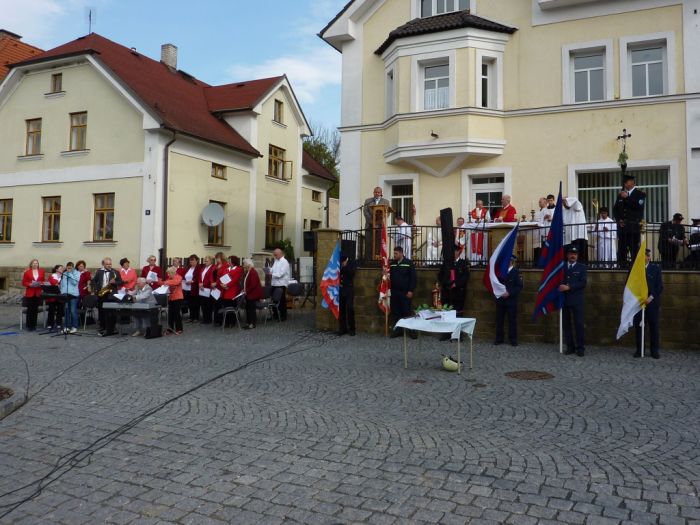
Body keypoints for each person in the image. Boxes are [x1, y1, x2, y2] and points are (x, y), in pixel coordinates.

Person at [633, 248, 663, 359]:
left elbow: (659, 287)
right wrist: (638, 298)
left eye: (648, 255)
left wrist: (650, 298)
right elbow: (629, 285)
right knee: (639, 327)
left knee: (654, 327)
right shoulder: (635, 269)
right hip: (639, 303)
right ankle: (639, 349)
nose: (648, 257)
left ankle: (654, 350)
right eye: (646, 255)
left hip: (652, 303)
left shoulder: (655, 269)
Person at [559, 246, 588, 356]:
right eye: (571, 254)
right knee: (566, 324)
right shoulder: (561, 266)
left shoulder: (582, 267)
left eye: (575, 254)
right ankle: (570, 347)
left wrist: (569, 287)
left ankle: (580, 348)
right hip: (564, 299)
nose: (573, 256)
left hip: (577, 300)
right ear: (567, 255)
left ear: (577, 256)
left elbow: (583, 283)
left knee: (579, 324)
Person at [613, 173, 646, 267]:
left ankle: (634, 270)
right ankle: (621, 269)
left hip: (633, 229)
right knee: (621, 252)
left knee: (634, 251)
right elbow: (615, 209)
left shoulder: (640, 194)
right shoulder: (621, 195)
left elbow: (639, 207)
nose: (624, 184)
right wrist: (619, 220)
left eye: (626, 182)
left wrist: (627, 198)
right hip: (623, 229)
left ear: (632, 182)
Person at [494, 255, 523, 347]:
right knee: (499, 320)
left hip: (511, 300)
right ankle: (499, 338)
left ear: (512, 262)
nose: (506, 262)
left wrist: (509, 293)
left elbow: (519, 286)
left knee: (512, 320)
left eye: (508, 261)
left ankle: (513, 339)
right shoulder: (501, 272)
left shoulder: (516, 272)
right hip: (501, 300)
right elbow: (496, 284)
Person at [389, 246, 417, 339]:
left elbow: (413, 278)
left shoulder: (408, 263)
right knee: (396, 312)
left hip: (405, 292)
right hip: (395, 292)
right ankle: (398, 330)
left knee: (406, 312)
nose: (394, 255)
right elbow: (389, 277)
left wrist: (411, 290)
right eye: (394, 253)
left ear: (401, 253)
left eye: (396, 253)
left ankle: (411, 331)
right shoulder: (392, 264)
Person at [92, 257, 123, 336]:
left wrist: (115, 282)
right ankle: (102, 327)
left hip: (111, 295)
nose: (109, 265)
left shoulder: (115, 272)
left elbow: (121, 282)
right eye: (107, 264)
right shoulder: (99, 271)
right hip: (102, 294)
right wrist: (96, 290)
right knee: (101, 312)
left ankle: (112, 328)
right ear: (103, 264)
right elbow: (94, 281)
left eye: (110, 264)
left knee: (111, 312)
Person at [438, 246, 470, 315]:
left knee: (457, 314)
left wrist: (456, 284)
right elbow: (440, 275)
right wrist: (446, 283)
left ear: (458, 252)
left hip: (458, 293)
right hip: (447, 293)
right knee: (446, 313)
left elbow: (465, 276)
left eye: (454, 251)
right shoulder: (446, 263)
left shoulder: (463, 263)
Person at [363, 186, 391, 258]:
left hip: (380, 226)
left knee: (378, 243)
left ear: (381, 193)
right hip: (369, 226)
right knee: (368, 243)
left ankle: (378, 258)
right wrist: (372, 222)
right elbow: (365, 212)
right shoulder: (368, 201)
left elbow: (387, 213)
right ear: (373, 193)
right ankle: (368, 259)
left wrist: (379, 222)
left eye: (378, 192)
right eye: (375, 192)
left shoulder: (386, 202)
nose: (377, 193)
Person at [216, 255, 244, 327]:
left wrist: (227, 285)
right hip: (225, 290)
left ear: (233, 261)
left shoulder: (238, 269)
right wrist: (222, 284)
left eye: (229, 260)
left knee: (231, 306)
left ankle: (232, 322)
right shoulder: (226, 269)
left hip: (232, 290)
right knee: (226, 306)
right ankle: (226, 321)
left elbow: (235, 279)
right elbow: (221, 277)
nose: (228, 261)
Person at [22, 259, 45, 332]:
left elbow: (43, 280)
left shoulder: (41, 271)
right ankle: (29, 325)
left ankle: (34, 325)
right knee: (30, 310)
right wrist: (29, 284)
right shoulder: (27, 272)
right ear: (31, 264)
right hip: (30, 292)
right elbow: (24, 282)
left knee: (35, 310)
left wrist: (40, 283)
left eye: (37, 263)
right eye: (34, 263)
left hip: (38, 292)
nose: (35, 264)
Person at [562, 197, 588, 263]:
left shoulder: (576, 205)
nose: (563, 204)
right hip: (570, 235)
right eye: (563, 203)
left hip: (579, 234)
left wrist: (565, 199)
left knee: (581, 252)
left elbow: (575, 200)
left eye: (564, 202)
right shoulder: (564, 210)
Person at [160, 266, 184, 334]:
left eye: (169, 273)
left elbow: (176, 282)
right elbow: (165, 283)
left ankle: (179, 328)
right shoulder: (169, 278)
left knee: (177, 313)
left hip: (178, 298)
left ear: (173, 272)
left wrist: (166, 282)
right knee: (170, 314)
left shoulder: (179, 277)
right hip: (171, 297)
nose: (168, 275)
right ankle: (170, 328)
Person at [338, 254, 356, 336]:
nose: (341, 263)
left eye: (342, 261)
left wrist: (344, 267)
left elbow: (351, 273)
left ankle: (352, 328)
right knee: (341, 309)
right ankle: (343, 328)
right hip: (341, 289)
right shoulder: (339, 264)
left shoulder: (352, 263)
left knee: (349, 308)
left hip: (348, 289)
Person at [270, 248, 291, 321]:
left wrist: (272, 274)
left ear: (280, 253)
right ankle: (275, 314)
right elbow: (272, 269)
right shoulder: (276, 261)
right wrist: (269, 270)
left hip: (281, 284)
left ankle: (283, 315)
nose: (274, 255)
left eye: (276, 254)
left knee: (281, 301)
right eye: (274, 254)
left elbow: (281, 274)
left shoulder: (284, 262)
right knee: (273, 300)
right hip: (274, 283)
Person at [242, 258, 263, 329]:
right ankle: (249, 322)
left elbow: (253, 284)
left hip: (252, 294)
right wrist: (244, 289)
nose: (243, 266)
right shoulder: (249, 271)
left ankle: (252, 324)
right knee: (248, 308)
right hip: (249, 294)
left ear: (248, 265)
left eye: (244, 264)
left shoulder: (253, 272)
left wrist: (246, 290)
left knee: (251, 309)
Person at [60, 261, 80, 333]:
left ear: (73, 267)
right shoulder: (64, 273)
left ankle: (74, 326)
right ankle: (67, 326)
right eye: (67, 268)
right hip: (66, 295)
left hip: (74, 295)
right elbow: (63, 284)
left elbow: (74, 283)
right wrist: (62, 292)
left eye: (70, 268)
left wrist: (70, 274)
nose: (68, 269)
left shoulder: (77, 273)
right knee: (66, 311)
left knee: (73, 311)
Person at [469, 200, 490, 265]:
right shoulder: (472, 212)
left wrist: (481, 220)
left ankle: (483, 261)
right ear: (476, 205)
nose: (479, 206)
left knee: (483, 246)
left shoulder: (486, 211)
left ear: (482, 204)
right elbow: (469, 220)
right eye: (478, 204)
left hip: (483, 232)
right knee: (474, 246)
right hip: (474, 233)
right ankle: (474, 261)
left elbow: (488, 219)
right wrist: (475, 220)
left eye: (481, 204)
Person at [182, 254, 201, 322]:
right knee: (190, 304)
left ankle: (196, 317)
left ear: (197, 260)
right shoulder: (189, 268)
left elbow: (199, 277)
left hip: (194, 288)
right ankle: (191, 317)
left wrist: (191, 281)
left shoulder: (198, 268)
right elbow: (185, 276)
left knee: (195, 303)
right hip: (187, 288)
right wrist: (184, 281)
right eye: (190, 261)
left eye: (193, 260)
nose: (191, 262)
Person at [46, 265, 65, 331]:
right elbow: (50, 284)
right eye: (60, 268)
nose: (62, 269)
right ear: (56, 269)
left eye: (62, 268)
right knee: (51, 310)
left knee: (60, 310)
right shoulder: (52, 276)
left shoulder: (64, 276)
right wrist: (57, 284)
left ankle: (58, 323)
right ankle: (50, 324)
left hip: (61, 296)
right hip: (53, 296)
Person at [198, 255, 216, 324]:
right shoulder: (203, 268)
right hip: (202, 288)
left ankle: (208, 319)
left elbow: (210, 278)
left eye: (206, 261)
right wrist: (200, 283)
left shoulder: (213, 268)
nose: (205, 262)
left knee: (208, 304)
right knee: (203, 304)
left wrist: (203, 284)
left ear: (211, 261)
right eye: (204, 260)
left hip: (208, 288)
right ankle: (204, 318)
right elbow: (200, 277)